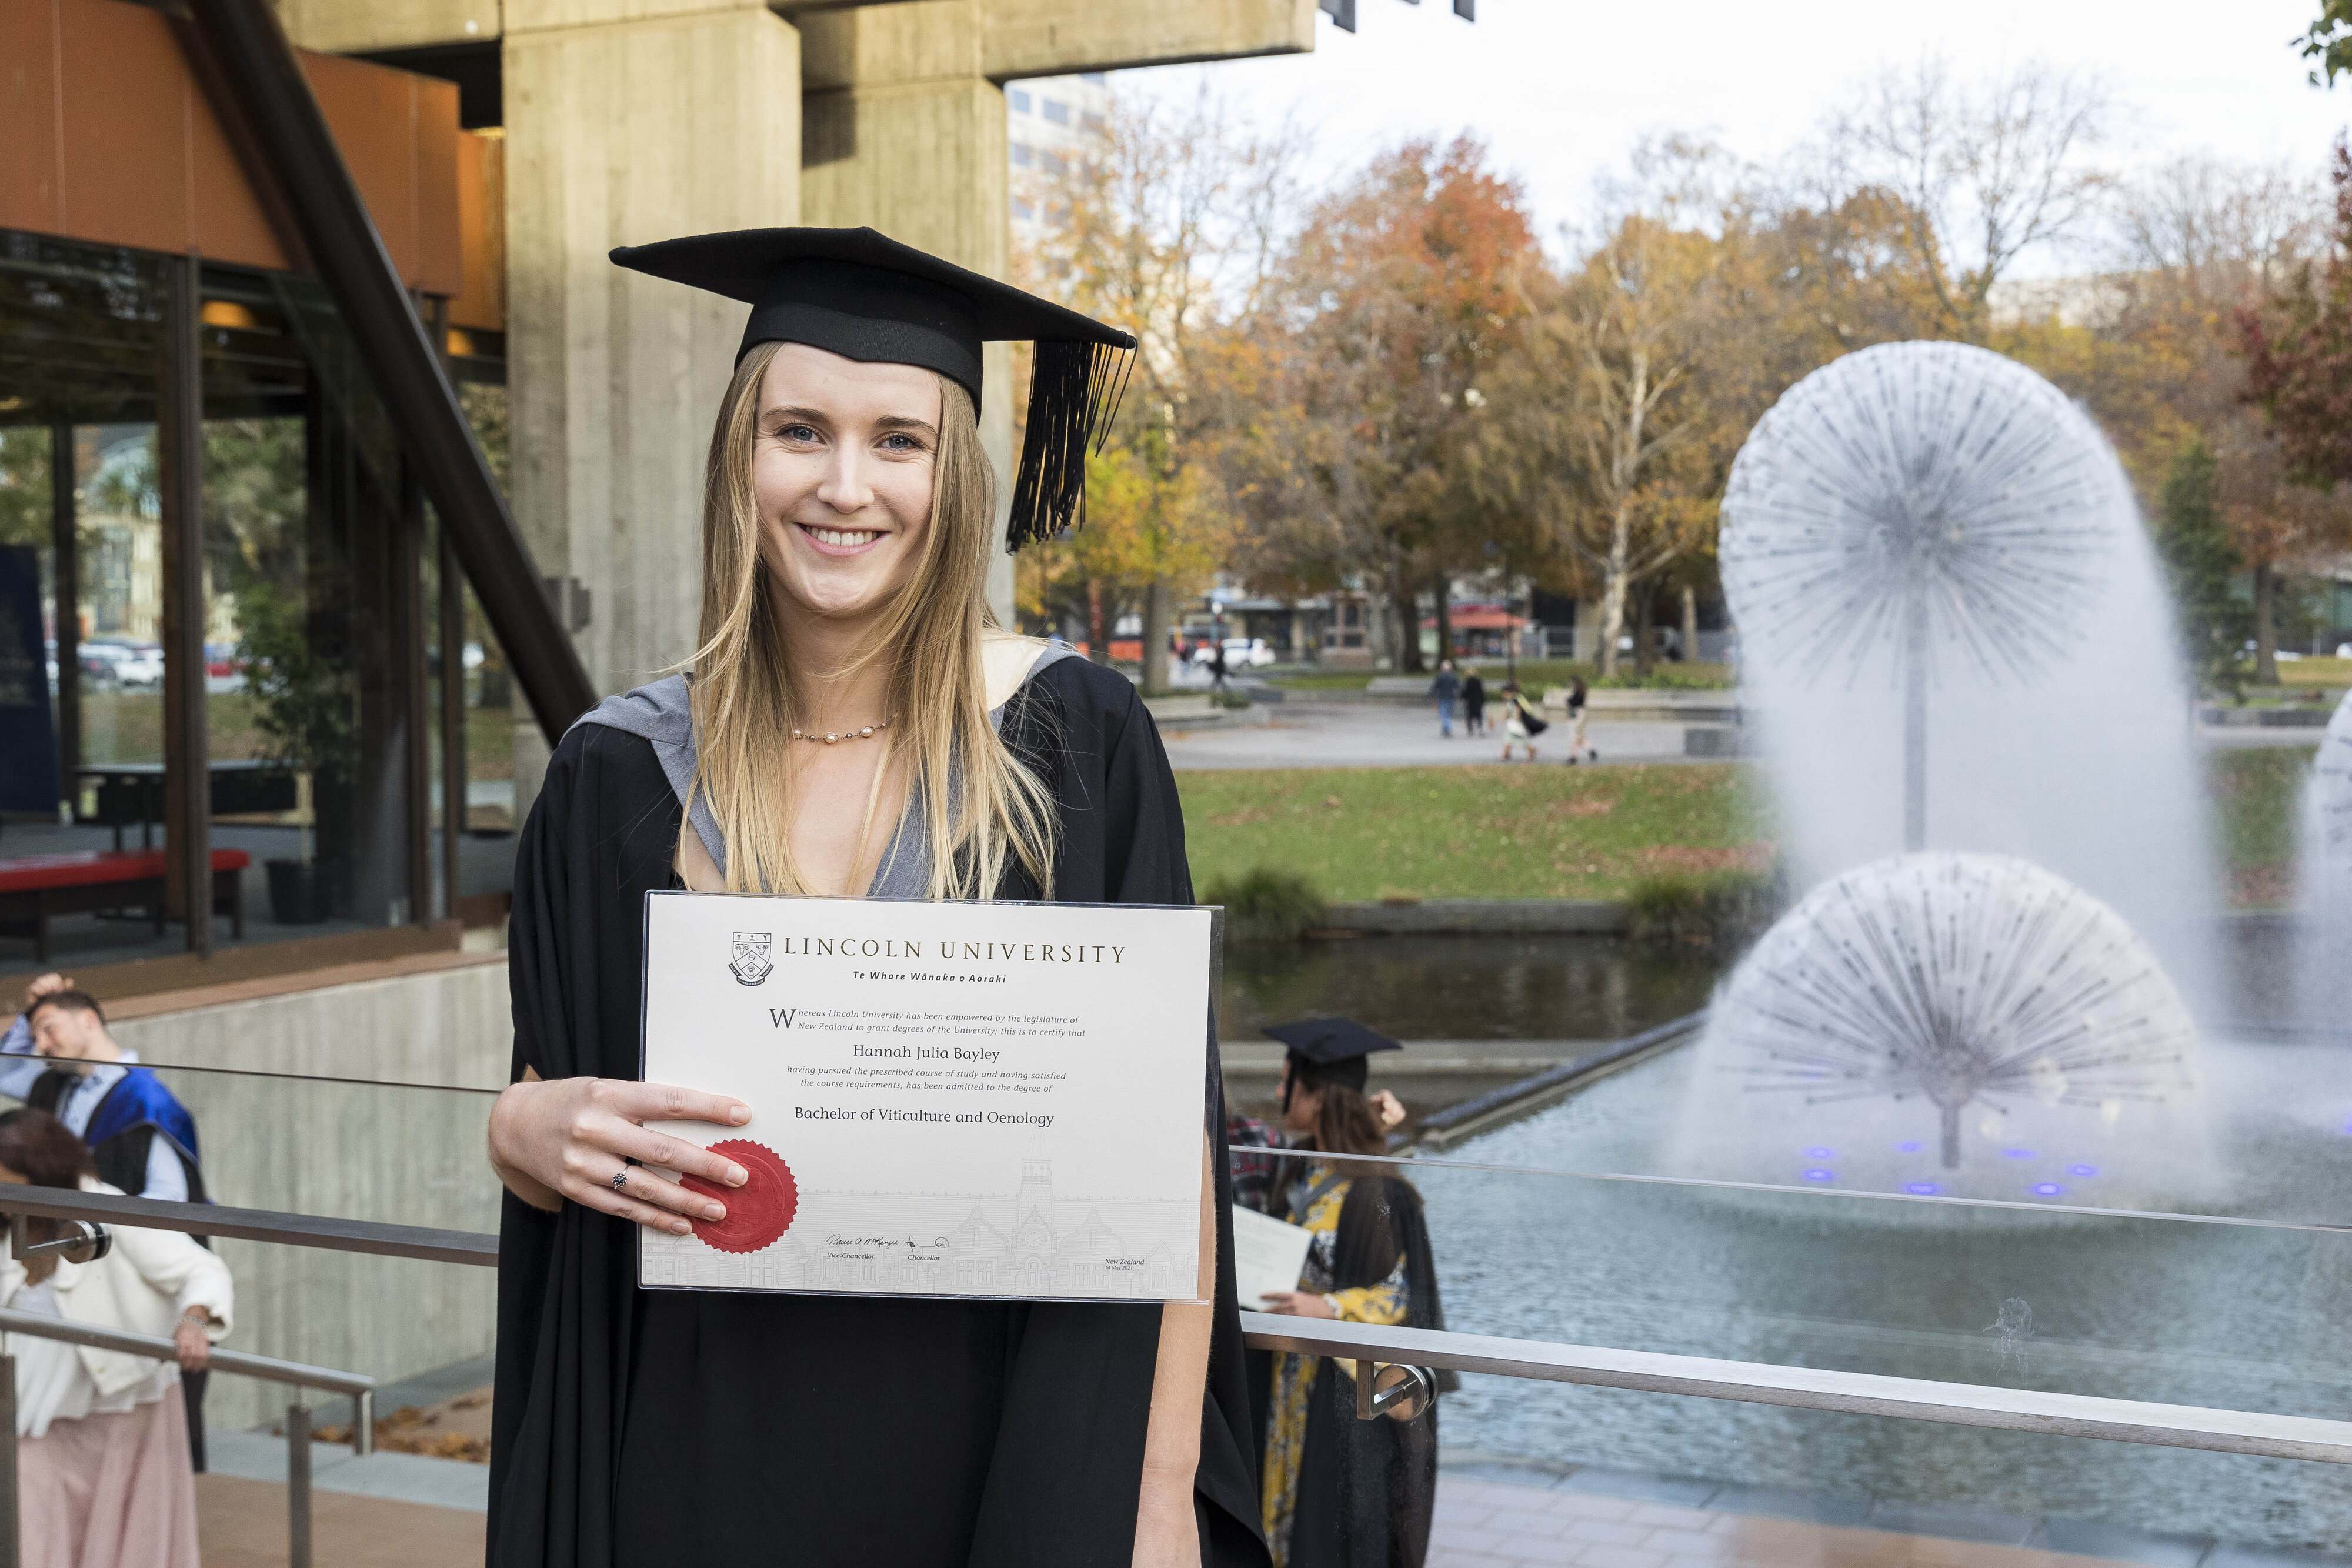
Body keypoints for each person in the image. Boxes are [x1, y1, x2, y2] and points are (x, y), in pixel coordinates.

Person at [482, 226, 1264, 1567]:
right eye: (801, 428)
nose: (846, 483)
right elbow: (567, 1098)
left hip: (1003, 1448)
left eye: (897, 438)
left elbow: (1165, 1150)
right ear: (740, 452)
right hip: (691, 1442)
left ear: (953, 474)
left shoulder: (1073, 739)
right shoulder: (613, 771)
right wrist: (518, 1127)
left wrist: (1158, 1491)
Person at [1248, 1019, 1444, 1568]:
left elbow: (1401, 1295)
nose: (1276, 1093)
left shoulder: (1379, 1192)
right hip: (1290, 1380)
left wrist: (1328, 1307)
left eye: (1285, 1080)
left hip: (1345, 1388)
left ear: (1313, 1095)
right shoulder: (1300, 1173)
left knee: (1335, 1528)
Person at [0, 1107, 231, 1568]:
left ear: (41, 1173)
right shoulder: (8, 1219)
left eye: (7, 1180)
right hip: (32, 1410)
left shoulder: (106, 1207)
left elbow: (200, 1268)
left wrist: (194, 1321)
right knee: (31, 1533)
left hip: (118, 1411)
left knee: (121, 1540)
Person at [3, 978, 213, 1468]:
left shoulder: (149, 1102)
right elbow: (6, 1068)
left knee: (132, 1410)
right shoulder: (51, 1084)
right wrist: (33, 1010)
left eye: (49, 1029)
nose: (41, 1045)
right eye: (36, 1036)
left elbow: (168, 1202)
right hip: (60, 1258)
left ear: (90, 1021)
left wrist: (103, 1220)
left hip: (116, 1253)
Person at [1498, 680, 1546, 763]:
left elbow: (1518, 711)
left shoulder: (1516, 699)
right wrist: (1497, 720)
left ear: (1507, 692)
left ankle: (1531, 750)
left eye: (1504, 693)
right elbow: (1506, 714)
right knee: (1508, 739)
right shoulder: (1509, 701)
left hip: (1517, 724)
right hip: (1512, 724)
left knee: (1521, 741)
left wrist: (1515, 720)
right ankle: (1506, 754)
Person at [1564, 674, 1596, 765]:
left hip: (1578, 715)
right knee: (1580, 738)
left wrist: (1568, 700)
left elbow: (1575, 702)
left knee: (1574, 736)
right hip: (1580, 715)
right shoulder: (1580, 691)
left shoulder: (1579, 692)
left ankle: (1573, 757)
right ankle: (1591, 751)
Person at [1427, 660, 1459, 738]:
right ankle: (1445, 730)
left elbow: (1435, 687)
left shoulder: (1440, 676)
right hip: (1451, 697)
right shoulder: (1453, 676)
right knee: (1448, 714)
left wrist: (1430, 695)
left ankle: (1448, 729)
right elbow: (1458, 686)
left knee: (1444, 715)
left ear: (1442, 668)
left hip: (1442, 697)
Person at [1460, 670, 1486, 736]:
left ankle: (1471, 730)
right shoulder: (1478, 681)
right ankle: (1480, 728)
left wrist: (1462, 697)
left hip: (1470, 701)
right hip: (1478, 700)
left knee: (1469, 716)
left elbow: (1466, 691)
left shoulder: (1468, 682)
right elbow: (1481, 691)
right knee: (1479, 715)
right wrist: (1483, 700)